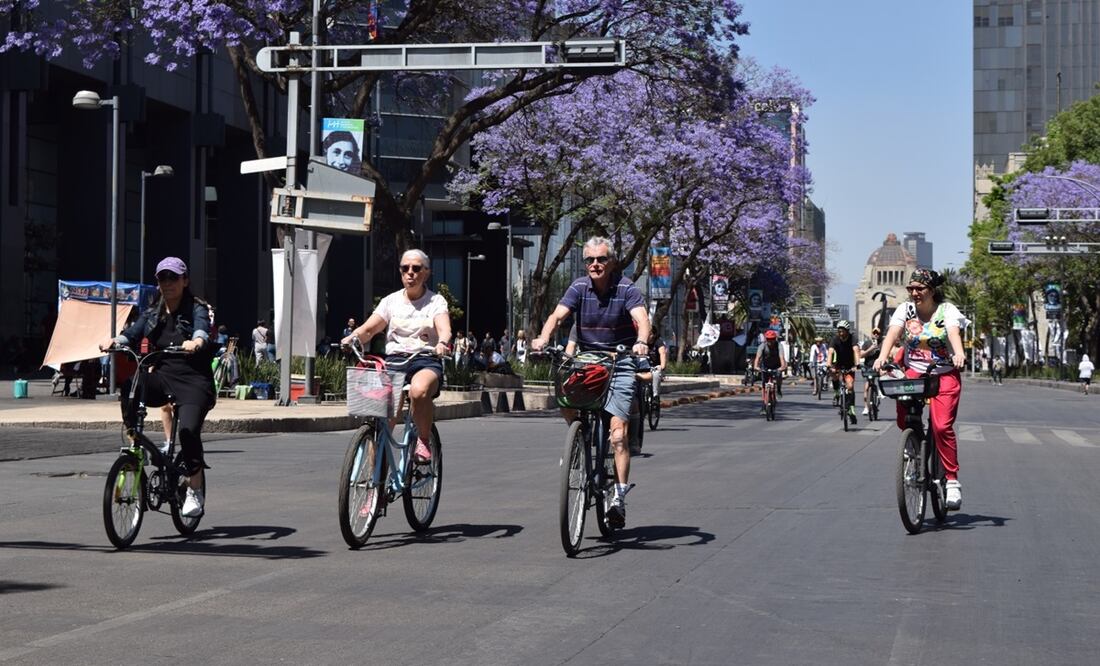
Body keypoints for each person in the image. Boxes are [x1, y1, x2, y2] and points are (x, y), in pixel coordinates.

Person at [531, 236, 650, 529]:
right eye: (589, 260)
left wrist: (642, 342)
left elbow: (642, 318)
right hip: (587, 360)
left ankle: (619, 499)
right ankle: (580, 442)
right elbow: (557, 316)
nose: (595, 265)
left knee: (618, 435)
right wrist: (543, 337)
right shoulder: (578, 287)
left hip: (619, 361)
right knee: (564, 397)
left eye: (601, 259)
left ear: (612, 262)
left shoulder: (626, 289)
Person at [100, 257, 215, 518]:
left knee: (187, 431)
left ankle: (194, 488)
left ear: (185, 281)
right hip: (163, 375)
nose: (167, 283)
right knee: (132, 384)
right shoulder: (153, 311)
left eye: (173, 278)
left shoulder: (196, 307)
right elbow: (133, 332)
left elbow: (201, 329)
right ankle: (133, 440)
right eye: (162, 278)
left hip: (194, 380)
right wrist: (115, 341)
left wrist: (196, 341)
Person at [342, 249, 452, 463]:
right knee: (381, 423)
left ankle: (422, 439)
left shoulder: (436, 302)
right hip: (394, 361)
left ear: (426, 273)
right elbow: (368, 329)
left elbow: (444, 328)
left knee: (419, 392)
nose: (410, 273)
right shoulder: (390, 301)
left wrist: (441, 343)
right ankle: (375, 483)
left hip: (426, 359)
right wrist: (352, 338)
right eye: (405, 268)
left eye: (416, 268)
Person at [873, 268, 967, 510]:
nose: (914, 293)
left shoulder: (947, 310)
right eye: (911, 289)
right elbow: (893, 333)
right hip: (914, 373)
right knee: (905, 419)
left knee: (941, 426)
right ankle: (914, 446)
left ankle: (952, 481)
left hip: (943, 374)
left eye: (920, 289)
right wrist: (882, 357)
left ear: (932, 291)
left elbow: (954, 333)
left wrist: (959, 353)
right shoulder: (906, 310)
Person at [828, 320, 861, 424]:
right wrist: (829, 364)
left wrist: (857, 364)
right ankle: (837, 392)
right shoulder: (835, 338)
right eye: (839, 331)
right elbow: (830, 351)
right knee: (834, 375)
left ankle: (851, 409)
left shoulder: (853, 338)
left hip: (849, 365)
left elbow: (856, 350)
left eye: (843, 331)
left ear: (847, 331)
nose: (841, 333)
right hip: (837, 363)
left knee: (850, 386)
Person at [753, 329, 787, 400]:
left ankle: (778, 389)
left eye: (772, 339)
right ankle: (764, 403)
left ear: (775, 339)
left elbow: (782, 358)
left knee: (778, 376)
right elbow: (757, 358)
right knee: (764, 383)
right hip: (765, 366)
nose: (770, 341)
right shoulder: (762, 346)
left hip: (777, 366)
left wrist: (782, 367)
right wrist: (756, 366)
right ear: (766, 339)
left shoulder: (779, 346)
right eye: (768, 339)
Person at [860, 327, 883, 415]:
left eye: (877, 333)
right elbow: (861, 355)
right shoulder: (867, 343)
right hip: (868, 367)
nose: (876, 334)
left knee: (882, 377)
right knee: (866, 387)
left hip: (878, 367)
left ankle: (880, 392)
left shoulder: (882, 343)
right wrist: (871, 348)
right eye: (874, 333)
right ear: (872, 334)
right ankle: (866, 407)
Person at [647, 330, 668, 398]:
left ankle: (655, 396)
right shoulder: (641, 342)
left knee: (656, 374)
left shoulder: (658, 342)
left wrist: (662, 366)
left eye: (650, 334)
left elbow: (662, 354)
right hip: (644, 367)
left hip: (656, 367)